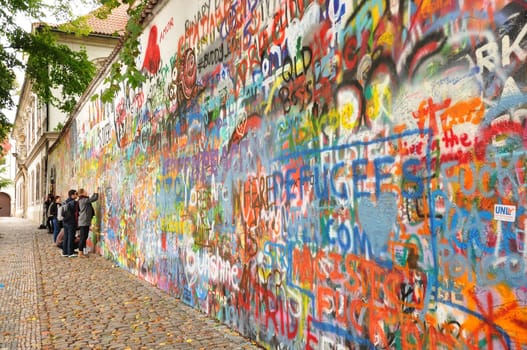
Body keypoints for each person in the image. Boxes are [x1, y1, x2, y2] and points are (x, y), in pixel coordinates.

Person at [77, 188, 98, 257]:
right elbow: (93, 199)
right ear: (82, 193)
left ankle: (82, 251)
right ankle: (80, 252)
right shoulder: (83, 200)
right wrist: (96, 192)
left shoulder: (83, 199)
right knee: (83, 237)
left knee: (84, 236)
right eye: (85, 191)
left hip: (85, 221)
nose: (87, 192)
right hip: (84, 221)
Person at [61, 189, 79, 258]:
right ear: (72, 195)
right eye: (75, 194)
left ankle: (65, 252)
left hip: (65, 221)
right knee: (71, 237)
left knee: (66, 237)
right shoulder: (73, 202)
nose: (76, 195)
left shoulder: (65, 201)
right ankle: (70, 253)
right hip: (71, 222)